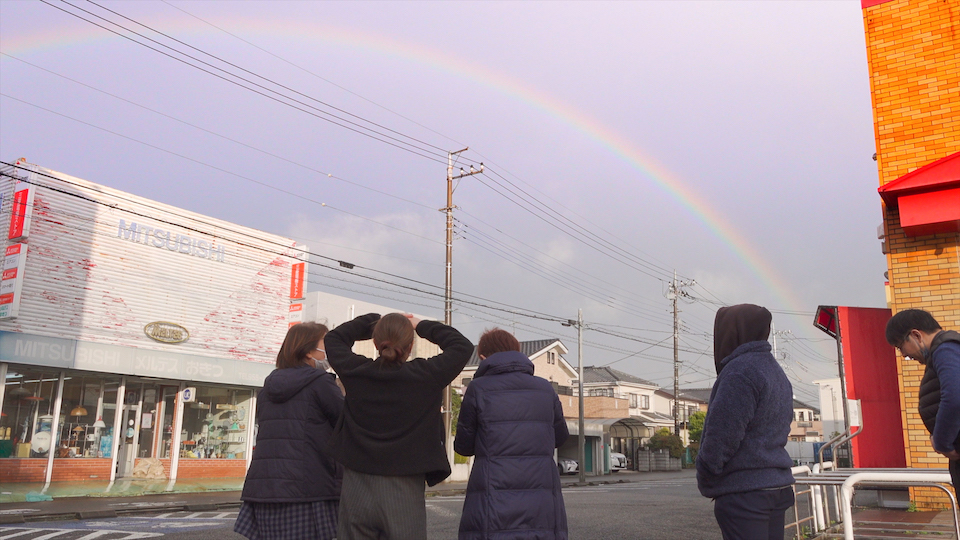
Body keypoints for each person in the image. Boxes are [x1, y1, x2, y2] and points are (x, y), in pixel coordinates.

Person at [325, 312, 474, 540]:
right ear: (411, 345)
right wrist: (419, 324)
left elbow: (334, 339)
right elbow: (461, 346)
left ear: (376, 343)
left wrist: (372, 321)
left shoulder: (356, 371)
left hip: (356, 483)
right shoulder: (425, 375)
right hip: (404, 485)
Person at [455, 328, 569, 540]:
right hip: (540, 492)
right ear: (517, 352)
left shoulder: (478, 388)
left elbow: (463, 446)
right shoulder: (545, 388)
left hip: (493, 492)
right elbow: (560, 437)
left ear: (482, 357)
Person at [234, 322, 344, 540]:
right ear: (308, 350)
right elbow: (347, 423)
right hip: (308, 489)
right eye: (326, 344)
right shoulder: (320, 383)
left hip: (265, 489)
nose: (329, 351)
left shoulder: (268, 387)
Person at [696, 304, 795, 540]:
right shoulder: (775, 371)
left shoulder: (739, 372)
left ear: (731, 332)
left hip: (746, 493)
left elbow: (722, 435)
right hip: (776, 486)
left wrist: (707, 474)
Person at [885, 309, 960, 491]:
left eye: (900, 346)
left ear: (916, 335)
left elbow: (954, 396)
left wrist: (942, 442)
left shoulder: (946, 349)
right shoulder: (946, 350)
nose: (903, 354)